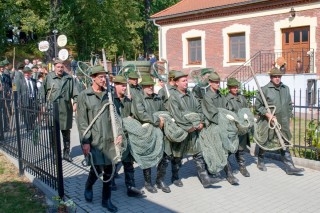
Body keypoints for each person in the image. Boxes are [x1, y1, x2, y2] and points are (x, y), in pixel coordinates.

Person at [167, 71, 221, 188]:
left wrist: (201, 121)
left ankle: (205, 179)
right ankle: (175, 177)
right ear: (176, 83)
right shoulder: (174, 98)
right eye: (183, 81)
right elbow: (177, 116)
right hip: (181, 132)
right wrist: (189, 127)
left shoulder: (191, 95)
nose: (186, 82)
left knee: (199, 153)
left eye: (186, 80)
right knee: (178, 156)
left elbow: (199, 108)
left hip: (195, 130)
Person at [77, 65, 120, 212]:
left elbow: (116, 117)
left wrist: (119, 134)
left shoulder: (109, 94)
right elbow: (82, 121)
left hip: (109, 139)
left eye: (105, 77)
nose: (103, 79)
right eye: (100, 77)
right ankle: (88, 187)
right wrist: (85, 142)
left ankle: (106, 200)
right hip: (94, 140)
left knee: (109, 170)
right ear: (93, 78)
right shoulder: (84, 96)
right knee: (96, 168)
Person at [255, 67, 304, 175]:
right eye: (275, 76)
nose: (277, 78)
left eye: (279, 76)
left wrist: (289, 117)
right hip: (269, 121)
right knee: (266, 141)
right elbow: (258, 106)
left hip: (283, 121)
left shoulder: (285, 88)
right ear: (271, 77)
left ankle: (290, 167)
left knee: (284, 143)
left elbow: (289, 105)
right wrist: (268, 115)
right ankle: (260, 160)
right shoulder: (265, 89)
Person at [130, 74, 167, 193]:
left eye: (151, 85)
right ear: (143, 86)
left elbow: (164, 112)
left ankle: (160, 180)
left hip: (160, 131)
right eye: (147, 85)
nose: (150, 87)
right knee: (148, 156)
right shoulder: (138, 98)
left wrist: (163, 120)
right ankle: (147, 182)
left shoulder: (157, 98)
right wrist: (157, 120)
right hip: (146, 132)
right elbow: (141, 114)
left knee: (164, 156)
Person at [201, 72, 239, 185]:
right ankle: (229, 174)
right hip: (213, 126)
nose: (218, 84)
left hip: (223, 126)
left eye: (218, 82)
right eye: (215, 82)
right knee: (220, 149)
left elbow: (227, 108)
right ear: (210, 83)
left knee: (225, 149)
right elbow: (212, 113)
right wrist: (223, 121)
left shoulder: (221, 96)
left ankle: (221, 170)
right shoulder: (207, 97)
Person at [112, 75, 145, 197]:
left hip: (128, 135)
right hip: (115, 135)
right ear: (115, 85)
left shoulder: (127, 100)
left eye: (125, 85)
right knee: (114, 160)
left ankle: (130, 187)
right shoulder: (110, 101)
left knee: (128, 162)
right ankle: (110, 181)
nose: (125, 88)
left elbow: (133, 115)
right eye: (122, 85)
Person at [41, 60, 78, 162]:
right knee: (53, 134)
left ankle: (66, 153)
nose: (60, 69)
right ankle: (55, 154)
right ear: (54, 67)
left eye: (62, 67)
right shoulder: (48, 77)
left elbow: (75, 92)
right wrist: (42, 105)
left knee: (66, 133)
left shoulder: (69, 78)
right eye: (58, 67)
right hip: (52, 109)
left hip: (66, 109)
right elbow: (42, 93)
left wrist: (75, 102)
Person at [225, 78, 250, 177]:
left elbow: (247, 109)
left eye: (237, 87)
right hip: (233, 128)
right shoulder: (226, 99)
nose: (236, 89)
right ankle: (227, 166)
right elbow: (226, 113)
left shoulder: (242, 98)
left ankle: (242, 166)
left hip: (242, 127)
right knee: (231, 148)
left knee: (241, 149)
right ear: (229, 88)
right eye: (233, 87)